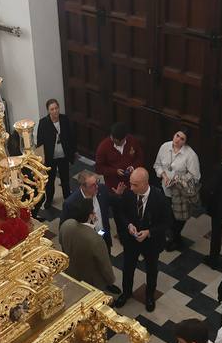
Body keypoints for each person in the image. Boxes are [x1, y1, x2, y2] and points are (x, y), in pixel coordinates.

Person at [112, 167, 171, 312]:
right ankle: (126, 292)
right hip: (131, 240)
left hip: (151, 242)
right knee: (128, 267)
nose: (131, 187)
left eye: (135, 185)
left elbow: (166, 222)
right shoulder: (129, 194)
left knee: (151, 269)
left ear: (145, 184)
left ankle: (149, 296)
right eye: (130, 183)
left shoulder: (159, 198)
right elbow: (122, 213)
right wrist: (129, 225)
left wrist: (149, 232)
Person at [153, 130, 201, 251]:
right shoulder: (165, 147)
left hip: (179, 192)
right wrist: (164, 176)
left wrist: (178, 180)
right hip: (165, 189)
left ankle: (174, 237)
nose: (177, 139)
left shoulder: (190, 155)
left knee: (178, 217)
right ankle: (172, 236)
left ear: (186, 142)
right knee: (166, 215)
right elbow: (157, 165)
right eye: (177, 135)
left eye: (182, 139)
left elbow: (195, 176)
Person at [58, 197, 117, 292]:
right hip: (92, 280)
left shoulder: (66, 224)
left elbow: (61, 242)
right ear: (90, 215)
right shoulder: (95, 240)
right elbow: (104, 264)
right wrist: (110, 280)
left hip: (71, 272)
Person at [35, 98, 75, 216]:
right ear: (48, 111)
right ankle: (49, 199)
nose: (55, 111)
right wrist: (40, 158)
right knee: (50, 180)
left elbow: (71, 136)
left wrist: (72, 152)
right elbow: (40, 142)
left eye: (56, 108)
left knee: (65, 178)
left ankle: (67, 198)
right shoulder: (43, 123)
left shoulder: (64, 119)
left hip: (63, 155)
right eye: (52, 109)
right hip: (50, 157)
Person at [60, 170, 114, 247]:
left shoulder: (102, 189)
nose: (97, 186)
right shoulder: (70, 204)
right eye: (92, 185)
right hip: (86, 245)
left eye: (97, 182)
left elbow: (109, 203)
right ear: (82, 187)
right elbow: (64, 230)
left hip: (103, 237)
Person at [94, 121, 143, 194]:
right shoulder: (103, 147)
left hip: (132, 184)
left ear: (125, 138)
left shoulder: (133, 141)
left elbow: (140, 158)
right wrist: (115, 171)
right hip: (113, 186)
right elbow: (98, 168)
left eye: (118, 143)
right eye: (113, 140)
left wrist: (133, 167)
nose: (115, 143)